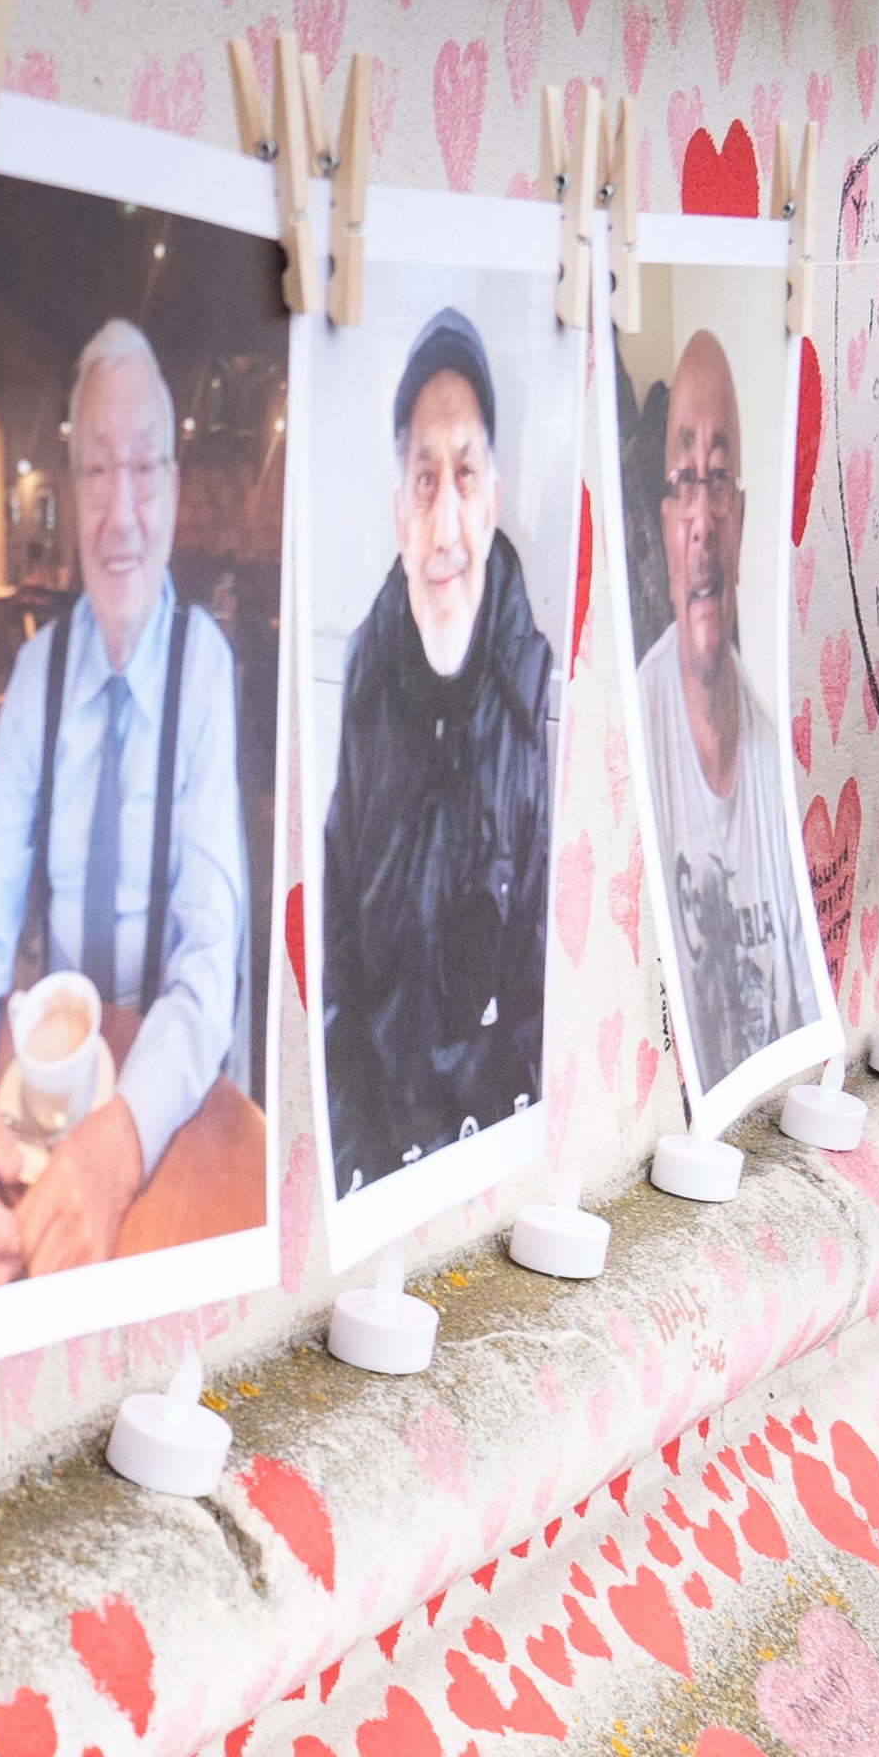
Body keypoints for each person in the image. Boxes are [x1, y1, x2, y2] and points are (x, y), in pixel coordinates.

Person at [0, 317, 248, 1292]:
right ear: (69, 486)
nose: (122, 513)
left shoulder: (206, 674)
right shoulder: (36, 675)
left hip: (161, 1109)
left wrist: (122, 1144)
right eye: (97, 472)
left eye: (144, 468)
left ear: (176, 490)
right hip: (44, 1091)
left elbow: (209, 962)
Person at [318, 308, 554, 1186]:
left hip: (481, 1172)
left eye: (464, 475)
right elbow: (338, 963)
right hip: (372, 1167)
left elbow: (541, 1012)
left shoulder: (534, 690)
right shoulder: (365, 679)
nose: (446, 522)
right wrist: (355, 1160)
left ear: (493, 495)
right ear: (398, 510)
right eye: (425, 480)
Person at [632, 326, 821, 1078]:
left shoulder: (774, 761)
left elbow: (809, 1019)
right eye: (683, 480)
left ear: (739, 520)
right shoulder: (634, 744)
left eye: (717, 480)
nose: (702, 517)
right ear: (665, 526)